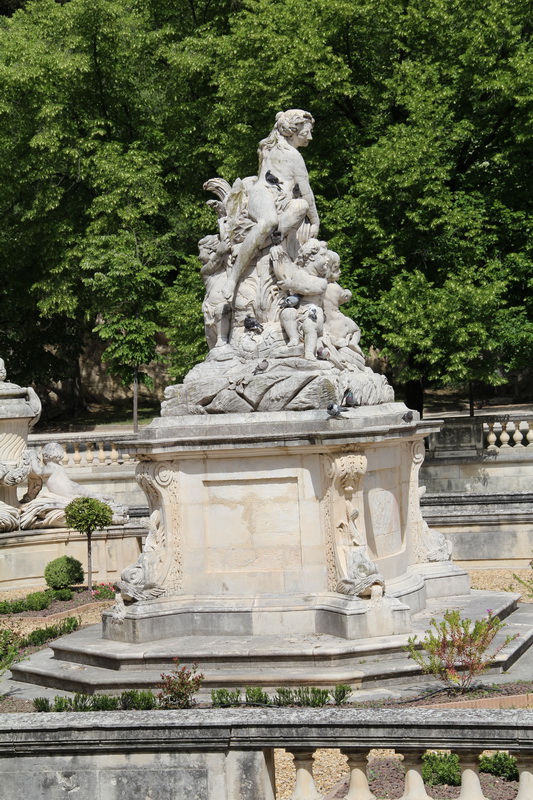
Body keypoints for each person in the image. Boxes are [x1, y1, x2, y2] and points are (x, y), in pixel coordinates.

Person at [223, 109, 320, 301]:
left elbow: (304, 195)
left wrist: (313, 219)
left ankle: (254, 245)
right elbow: (306, 190)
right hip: (263, 194)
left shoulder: (286, 151)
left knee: (301, 206)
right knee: (268, 221)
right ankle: (233, 278)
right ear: (292, 131)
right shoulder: (286, 153)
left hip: (283, 200)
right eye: (305, 132)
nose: (310, 137)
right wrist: (315, 221)